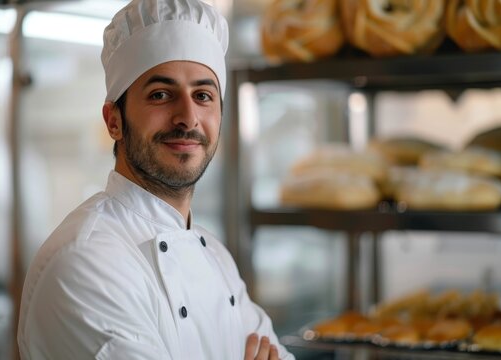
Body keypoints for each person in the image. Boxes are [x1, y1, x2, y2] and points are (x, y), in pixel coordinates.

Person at [17, 0, 295, 359]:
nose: (188, 118)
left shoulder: (216, 258)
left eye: (203, 95)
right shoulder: (85, 262)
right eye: (161, 95)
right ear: (114, 120)